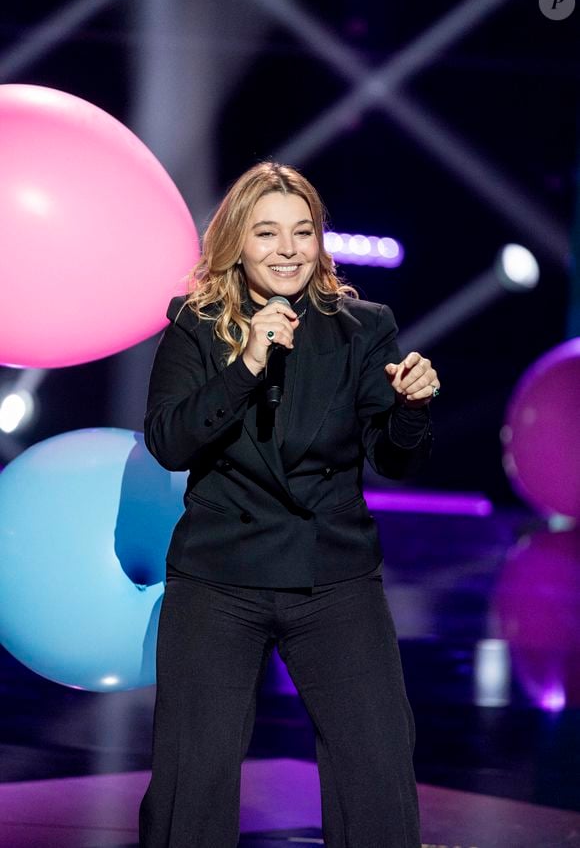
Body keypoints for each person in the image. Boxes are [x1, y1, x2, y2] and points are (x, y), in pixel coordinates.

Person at [139, 161, 439, 848]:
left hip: (332, 577)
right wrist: (245, 366)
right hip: (219, 578)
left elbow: (391, 456)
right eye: (267, 232)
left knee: (378, 765)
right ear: (237, 243)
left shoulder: (364, 327)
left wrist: (412, 408)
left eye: (302, 232)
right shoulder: (196, 324)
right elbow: (168, 441)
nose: (287, 249)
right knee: (195, 775)